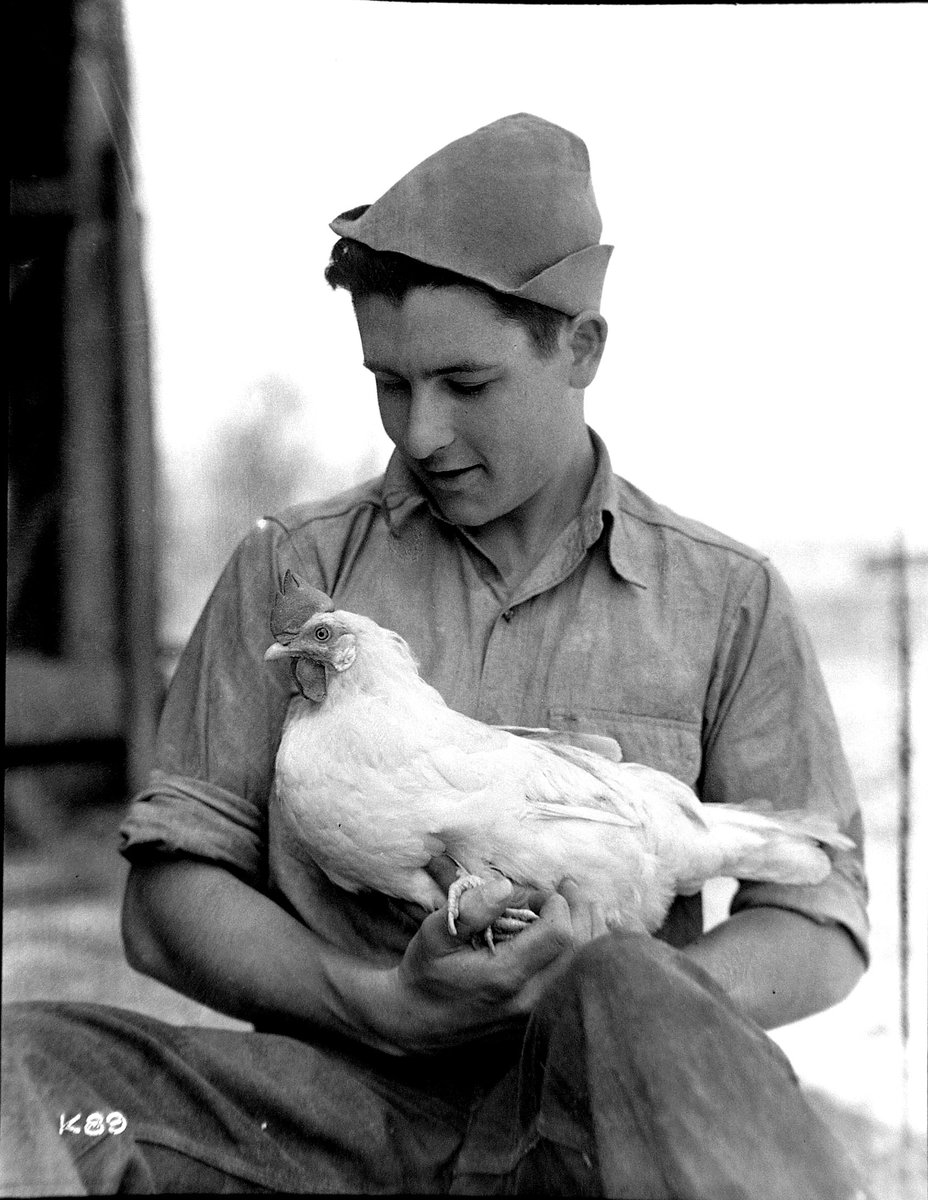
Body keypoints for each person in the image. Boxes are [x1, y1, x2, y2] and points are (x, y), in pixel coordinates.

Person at [1, 113, 869, 1197]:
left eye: (465, 384)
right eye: (389, 383)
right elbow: (167, 899)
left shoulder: (724, 597)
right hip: (322, 1111)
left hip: (584, 1125)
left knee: (645, 1005)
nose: (420, 432)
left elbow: (817, 914)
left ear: (581, 348)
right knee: (20, 1075)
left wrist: (628, 1018)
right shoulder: (290, 569)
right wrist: (371, 1003)